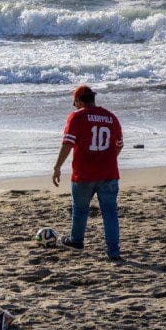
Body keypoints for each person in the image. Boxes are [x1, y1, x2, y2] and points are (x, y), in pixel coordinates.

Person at [52, 85, 123, 261]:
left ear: (78, 101)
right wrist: (106, 158)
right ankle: (113, 252)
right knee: (110, 212)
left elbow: (67, 143)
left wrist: (57, 167)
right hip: (109, 173)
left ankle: (76, 241)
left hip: (84, 173)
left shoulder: (77, 117)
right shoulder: (111, 117)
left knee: (80, 208)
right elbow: (119, 144)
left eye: (74, 102)